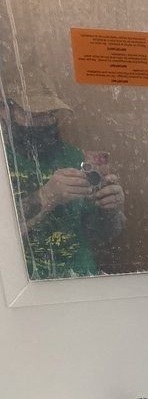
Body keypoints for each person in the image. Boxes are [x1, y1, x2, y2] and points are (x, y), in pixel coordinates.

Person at [0, 69, 125, 279]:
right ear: (5, 111)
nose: (45, 122)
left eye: (50, 114)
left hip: (81, 278)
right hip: (22, 286)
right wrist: (46, 196)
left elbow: (103, 234)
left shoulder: (74, 156)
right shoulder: (4, 160)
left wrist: (112, 207)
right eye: (35, 114)